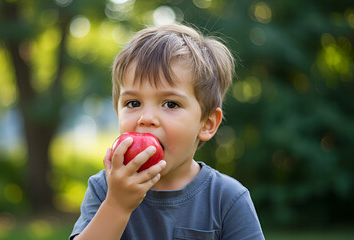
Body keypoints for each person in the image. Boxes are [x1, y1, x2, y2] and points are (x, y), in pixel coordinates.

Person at [70, 24, 264, 240]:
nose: (147, 118)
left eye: (170, 104)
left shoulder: (226, 199)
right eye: (133, 102)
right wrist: (116, 206)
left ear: (207, 124)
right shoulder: (105, 189)